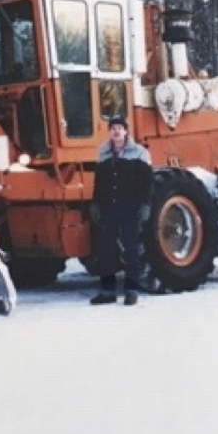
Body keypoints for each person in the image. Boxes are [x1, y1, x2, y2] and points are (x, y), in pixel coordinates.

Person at [90, 115, 154, 306]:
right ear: (109, 131)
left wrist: (145, 205)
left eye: (120, 128)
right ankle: (107, 291)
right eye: (113, 128)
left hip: (130, 207)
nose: (116, 131)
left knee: (131, 249)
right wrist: (95, 203)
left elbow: (147, 182)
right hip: (109, 207)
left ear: (126, 131)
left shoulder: (139, 153)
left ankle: (132, 290)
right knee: (106, 249)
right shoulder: (103, 153)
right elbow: (99, 182)